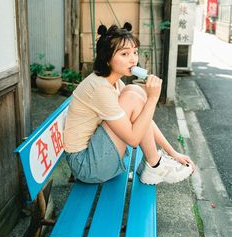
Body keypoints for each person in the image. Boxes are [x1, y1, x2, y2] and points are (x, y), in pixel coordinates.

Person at [63, 23, 195, 185]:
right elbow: (133, 139)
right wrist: (153, 99)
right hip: (86, 165)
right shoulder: (99, 88)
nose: (133, 59)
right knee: (134, 97)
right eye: (125, 54)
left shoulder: (114, 83)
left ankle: (154, 163)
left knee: (134, 91)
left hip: (94, 152)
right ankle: (155, 165)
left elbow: (144, 120)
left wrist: (173, 153)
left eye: (135, 52)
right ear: (107, 59)